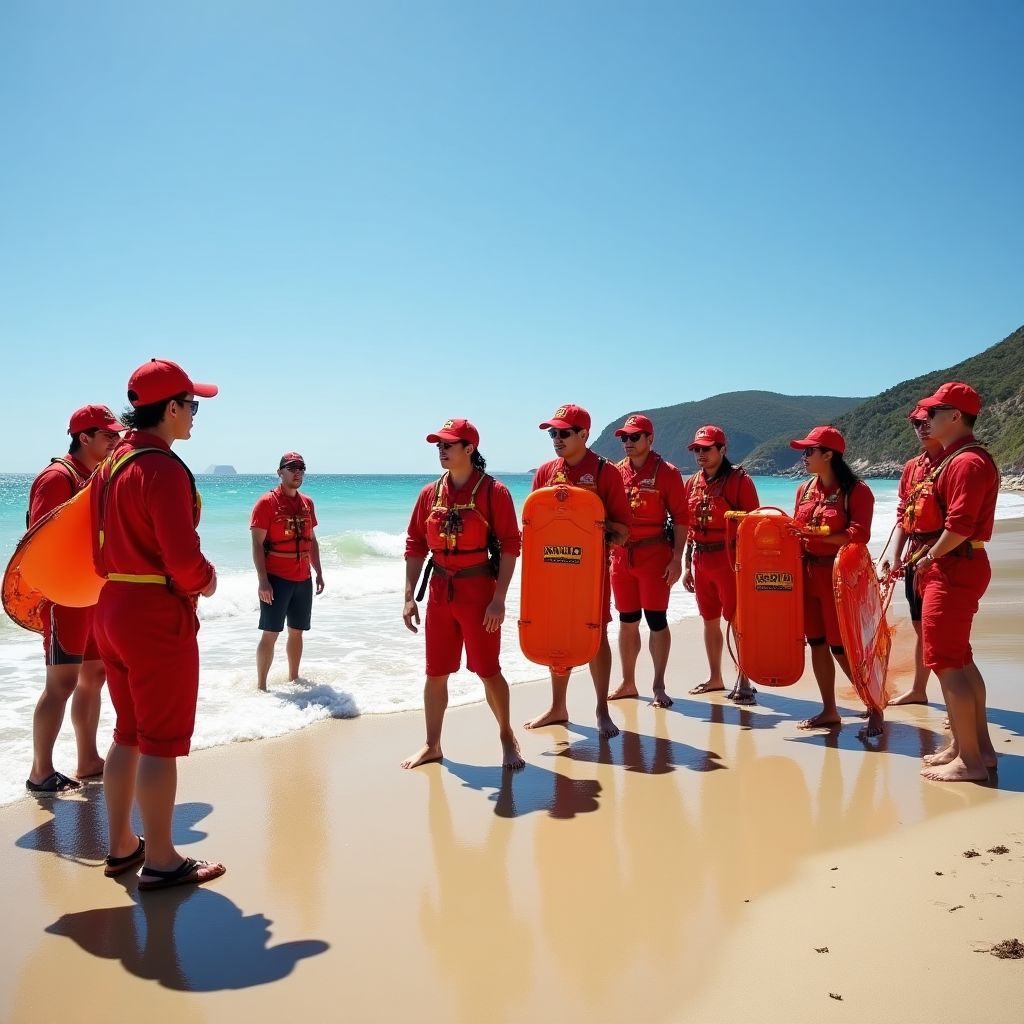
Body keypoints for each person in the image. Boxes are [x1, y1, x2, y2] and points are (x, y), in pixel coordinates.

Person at [91, 358, 225, 889]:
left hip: (111, 606)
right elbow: (183, 559)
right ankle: (164, 859)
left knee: (126, 733)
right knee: (160, 741)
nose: (194, 415)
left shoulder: (111, 464)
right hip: (153, 615)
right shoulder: (162, 467)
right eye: (191, 405)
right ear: (169, 408)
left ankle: (122, 845)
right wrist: (208, 579)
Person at [402, 419, 524, 770]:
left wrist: (499, 598)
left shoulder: (493, 492)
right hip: (440, 591)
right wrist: (409, 596)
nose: (441, 450)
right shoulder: (429, 494)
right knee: (435, 672)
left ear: (469, 448)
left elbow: (511, 545)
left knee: (487, 670)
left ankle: (505, 735)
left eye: (449, 444)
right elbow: (415, 544)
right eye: (439, 444)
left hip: (478, 591)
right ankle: (432, 744)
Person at [24, 405, 123, 793]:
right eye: (108, 436)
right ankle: (40, 772)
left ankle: (87, 759)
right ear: (84, 437)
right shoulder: (56, 477)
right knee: (61, 683)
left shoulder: (97, 475)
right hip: (64, 597)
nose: (116, 441)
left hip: (93, 593)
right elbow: (42, 544)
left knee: (94, 677)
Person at [524, 404, 631, 739]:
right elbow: (534, 525)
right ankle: (558, 707)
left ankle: (601, 709)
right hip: (552, 570)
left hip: (590, 574)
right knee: (557, 632)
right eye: (552, 433)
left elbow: (624, 530)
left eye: (564, 433)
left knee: (594, 634)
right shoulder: (544, 473)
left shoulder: (605, 472)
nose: (556, 438)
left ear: (583, 434)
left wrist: (593, 525)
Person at [911, 383, 999, 783]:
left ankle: (971, 763)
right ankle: (974, 748)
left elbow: (960, 525)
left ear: (956, 417)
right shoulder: (957, 459)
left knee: (947, 664)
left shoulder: (966, 463)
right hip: (956, 565)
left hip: (953, 568)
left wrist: (928, 557)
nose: (926, 419)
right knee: (960, 659)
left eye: (934, 411)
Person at [789, 425, 879, 735]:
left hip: (837, 578)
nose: (804, 456)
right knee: (815, 642)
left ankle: (873, 706)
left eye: (809, 451)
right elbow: (794, 533)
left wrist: (814, 535)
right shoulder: (803, 490)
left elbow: (859, 535)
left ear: (828, 455)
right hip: (806, 575)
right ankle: (829, 710)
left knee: (843, 647)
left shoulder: (857, 491)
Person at [607, 414, 687, 708]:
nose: (627, 443)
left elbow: (681, 518)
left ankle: (658, 685)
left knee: (656, 620)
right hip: (621, 556)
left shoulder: (667, 472)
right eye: (624, 438)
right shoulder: (615, 472)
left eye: (634, 437)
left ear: (650, 439)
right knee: (627, 621)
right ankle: (628, 682)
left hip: (654, 556)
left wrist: (677, 559)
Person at [681, 425, 760, 704]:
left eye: (706, 448)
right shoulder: (691, 483)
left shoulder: (740, 481)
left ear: (722, 450)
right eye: (697, 449)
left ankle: (745, 678)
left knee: (738, 622)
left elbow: (755, 525)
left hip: (730, 561)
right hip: (702, 561)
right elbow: (690, 527)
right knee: (709, 620)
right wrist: (687, 565)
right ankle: (715, 677)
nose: (700, 454)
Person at [881, 404, 944, 707]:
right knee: (921, 626)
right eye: (916, 423)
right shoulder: (912, 467)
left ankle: (956, 700)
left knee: (943, 631)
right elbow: (902, 517)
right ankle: (919, 690)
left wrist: (929, 558)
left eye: (928, 420)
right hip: (913, 557)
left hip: (942, 560)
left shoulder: (954, 463)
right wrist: (895, 556)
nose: (921, 427)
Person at [251, 453, 325, 691]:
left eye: (301, 468)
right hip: (276, 579)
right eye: (292, 468)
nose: (297, 472)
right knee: (270, 632)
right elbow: (256, 545)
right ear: (280, 472)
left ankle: (294, 679)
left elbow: (311, 540)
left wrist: (319, 572)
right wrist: (263, 581)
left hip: (303, 579)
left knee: (297, 632)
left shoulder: (307, 503)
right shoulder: (266, 503)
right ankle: (261, 687)